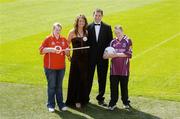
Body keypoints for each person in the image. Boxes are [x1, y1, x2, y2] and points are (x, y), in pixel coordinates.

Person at [39, 23, 70, 112]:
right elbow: (41, 50)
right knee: (52, 86)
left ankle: (61, 104)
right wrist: (51, 50)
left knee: (59, 86)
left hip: (61, 67)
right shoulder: (48, 39)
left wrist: (67, 51)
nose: (58, 32)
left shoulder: (63, 39)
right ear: (53, 30)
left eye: (59, 30)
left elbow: (67, 54)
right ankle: (51, 104)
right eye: (56, 30)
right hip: (50, 68)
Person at [87, 8, 113, 106]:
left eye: (99, 15)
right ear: (93, 16)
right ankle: (86, 97)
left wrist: (106, 54)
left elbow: (110, 43)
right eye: (96, 15)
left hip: (103, 58)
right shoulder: (88, 27)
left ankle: (100, 98)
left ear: (102, 16)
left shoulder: (107, 27)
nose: (97, 17)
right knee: (89, 77)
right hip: (91, 58)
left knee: (102, 78)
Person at [103, 25, 132, 110]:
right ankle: (112, 103)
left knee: (124, 87)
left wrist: (115, 55)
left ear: (122, 31)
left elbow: (129, 54)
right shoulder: (112, 42)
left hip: (124, 70)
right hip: (114, 70)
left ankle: (126, 102)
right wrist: (107, 55)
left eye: (119, 32)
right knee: (113, 87)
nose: (117, 34)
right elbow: (105, 56)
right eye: (116, 33)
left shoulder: (127, 40)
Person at [66, 14, 89, 108]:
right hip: (75, 59)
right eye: (80, 21)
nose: (81, 23)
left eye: (83, 21)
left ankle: (81, 99)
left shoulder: (86, 32)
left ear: (85, 22)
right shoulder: (71, 32)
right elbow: (67, 45)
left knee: (82, 79)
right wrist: (68, 56)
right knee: (74, 78)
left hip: (85, 59)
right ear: (77, 22)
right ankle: (73, 100)